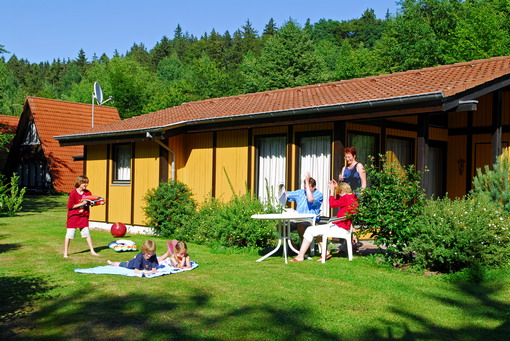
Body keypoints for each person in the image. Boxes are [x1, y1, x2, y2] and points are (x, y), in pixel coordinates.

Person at [291, 181, 358, 262]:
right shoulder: (353, 197)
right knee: (316, 230)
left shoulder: (346, 198)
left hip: (340, 227)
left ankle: (300, 256)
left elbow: (332, 204)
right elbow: (338, 201)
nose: (338, 194)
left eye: (338, 192)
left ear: (342, 191)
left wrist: (332, 191)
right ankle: (325, 252)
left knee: (310, 229)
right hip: (343, 225)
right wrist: (336, 188)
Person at [63, 175, 99, 258]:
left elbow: (91, 202)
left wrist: (99, 203)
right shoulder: (73, 193)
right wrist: (81, 204)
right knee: (69, 235)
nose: (86, 184)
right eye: (84, 183)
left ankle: (92, 251)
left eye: (87, 183)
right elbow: (70, 206)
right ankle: (65, 253)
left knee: (87, 234)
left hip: (83, 216)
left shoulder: (88, 193)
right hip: (74, 217)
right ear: (79, 183)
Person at [286, 173, 323, 241]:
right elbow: (286, 194)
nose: (306, 190)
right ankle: (292, 248)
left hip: (310, 220)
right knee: (282, 227)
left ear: (314, 187)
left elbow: (310, 199)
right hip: (297, 219)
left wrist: (307, 183)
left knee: (301, 226)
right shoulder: (300, 192)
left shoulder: (319, 195)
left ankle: (304, 248)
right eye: (305, 188)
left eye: (308, 188)